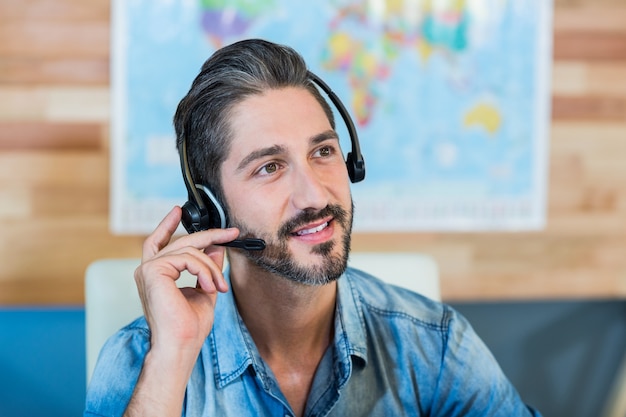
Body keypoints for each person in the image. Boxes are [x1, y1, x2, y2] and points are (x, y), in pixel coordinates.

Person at [85, 38, 540, 417]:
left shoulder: (435, 344)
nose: (317, 196)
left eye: (322, 152)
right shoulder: (142, 359)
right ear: (210, 208)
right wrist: (172, 359)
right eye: (269, 167)